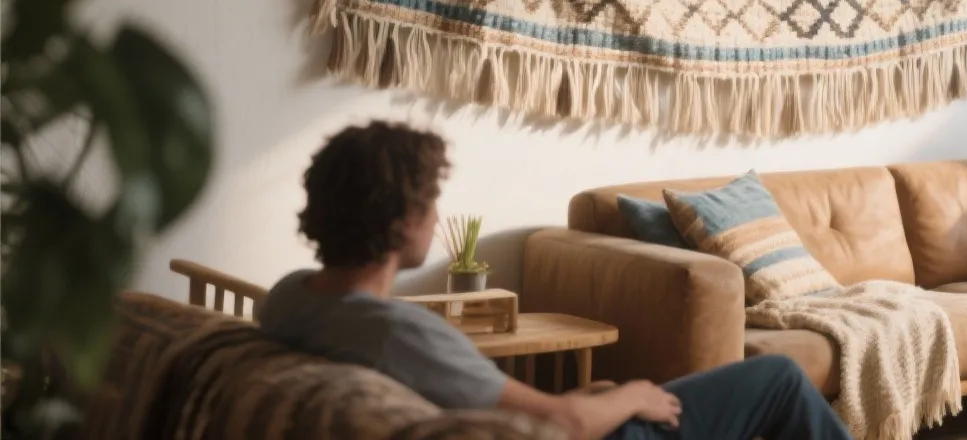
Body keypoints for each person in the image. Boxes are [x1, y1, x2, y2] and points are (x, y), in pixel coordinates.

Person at [258, 121, 852, 440]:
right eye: (430, 202)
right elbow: (558, 425)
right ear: (402, 219)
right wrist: (630, 397)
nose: (438, 218)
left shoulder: (288, 298)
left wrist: (595, 398)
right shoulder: (399, 333)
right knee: (777, 379)